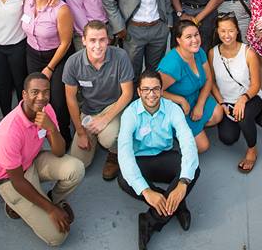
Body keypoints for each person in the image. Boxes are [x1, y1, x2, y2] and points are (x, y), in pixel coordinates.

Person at [0, 73, 84, 246]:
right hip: (10, 180)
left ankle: (53, 198)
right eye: (35, 92)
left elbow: (59, 152)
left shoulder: (46, 109)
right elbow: (17, 181)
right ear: (24, 94)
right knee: (57, 237)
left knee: (76, 169)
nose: (41, 98)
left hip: (31, 162)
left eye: (45, 92)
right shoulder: (9, 132)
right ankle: (13, 204)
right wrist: (51, 210)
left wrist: (52, 129)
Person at [117, 69, 200, 249]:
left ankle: (150, 220)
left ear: (162, 91)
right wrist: (147, 191)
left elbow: (187, 142)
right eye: (145, 89)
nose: (151, 94)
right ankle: (178, 205)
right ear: (139, 92)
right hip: (142, 161)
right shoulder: (129, 114)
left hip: (165, 156)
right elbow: (124, 153)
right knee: (123, 179)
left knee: (193, 168)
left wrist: (183, 182)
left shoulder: (172, 109)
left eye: (155, 89)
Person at [63, 20, 134, 180]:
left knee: (109, 137)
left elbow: (127, 94)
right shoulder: (73, 63)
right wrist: (81, 132)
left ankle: (114, 153)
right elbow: (71, 98)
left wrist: (105, 119)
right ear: (83, 40)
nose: (98, 45)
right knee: (78, 163)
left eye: (102, 40)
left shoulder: (120, 56)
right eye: (92, 40)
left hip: (112, 107)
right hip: (88, 111)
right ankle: (91, 135)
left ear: (108, 40)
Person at [24, 0, 75, 143]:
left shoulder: (61, 9)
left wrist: (50, 67)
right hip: (32, 53)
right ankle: (38, 133)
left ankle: (64, 136)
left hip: (57, 56)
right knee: (36, 97)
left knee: (57, 100)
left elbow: (66, 42)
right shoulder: (27, 0)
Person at [209, 13, 262, 172]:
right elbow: (212, 82)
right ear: (217, 32)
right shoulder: (213, 53)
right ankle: (243, 123)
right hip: (226, 101)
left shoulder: (248, 53)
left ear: (237, 31)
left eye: (231, 31)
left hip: (250, 97)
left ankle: (252, 150)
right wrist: (221, 102)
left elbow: (255, 85)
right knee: (228, 138)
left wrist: (243, 99)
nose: (227, 35)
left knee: (244, 115)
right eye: (223, 31)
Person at [158, 20, 223, 154]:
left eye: (196, 34)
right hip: (177, 107)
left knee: (218, 114)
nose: (195, 40)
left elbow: (209, 79)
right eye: (188, 37)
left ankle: (194, 129)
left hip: (194, 96)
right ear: (178, 40)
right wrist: (180, 100)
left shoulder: (198, 52)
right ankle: (177, 130)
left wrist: (200, 104)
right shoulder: (173, 64)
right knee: (202, 147)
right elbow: (154, 91)